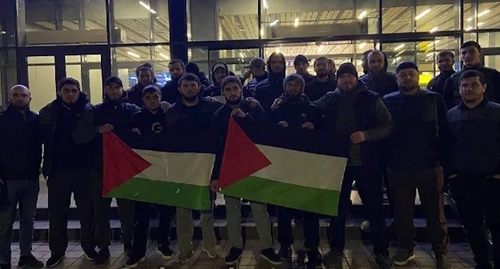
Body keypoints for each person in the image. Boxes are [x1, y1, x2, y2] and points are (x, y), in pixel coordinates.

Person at [312, 63, 393, 269]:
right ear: (337, 79)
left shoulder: (371, 98)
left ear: (357, 78)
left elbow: (388, 125)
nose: (346, 80)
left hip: (368, 162)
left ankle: (381, 251)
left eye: (350, 76)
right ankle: (336, 249)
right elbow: (309, 109)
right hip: (339, 163)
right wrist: (280, 104)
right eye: (342, 77)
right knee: (337, 210)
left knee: (374, 209)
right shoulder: (330, 98)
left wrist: (367, 135)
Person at [383, 62, 451, 268]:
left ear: (418, 76)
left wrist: (444, 162)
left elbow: (445, 131)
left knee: (435, 211)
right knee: (402, 212)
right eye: (402, 75)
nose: (407, 78)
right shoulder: (388, 101)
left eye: (411, 74)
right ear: (396, 79)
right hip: (399, 166)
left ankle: (440, 251)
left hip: (429, 165)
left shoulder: (433, 99)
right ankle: (406, 248)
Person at [210, 76, 280, 266]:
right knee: (232, 211)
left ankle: (266, 246)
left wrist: (245, 118)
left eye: (235, 88)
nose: (233, 92)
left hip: (253, 166)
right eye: (228, 89)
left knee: (260, 209)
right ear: (223, 93)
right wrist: (215, 175)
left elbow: (264, 132)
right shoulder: (219, 115)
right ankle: (235, 246)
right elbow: (217, 146)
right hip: (230, 168)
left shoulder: (253, 108)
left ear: (241, 89)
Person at [74, 76, 141, 264]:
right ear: (105, 90)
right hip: (99, 169)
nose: (113, 91)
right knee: (100, 210)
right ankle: (103, 246)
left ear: (122, 90)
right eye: (110, 87)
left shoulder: (133, 110)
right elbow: (79, 135)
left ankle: (128, 242)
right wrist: (97, 130)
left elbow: (144, 129)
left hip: (124, 170)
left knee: (127, 209)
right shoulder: (94, 111)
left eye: (117, 87)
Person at [165, 73, 222, 264]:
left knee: (207, 210)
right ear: (180, 89)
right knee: (182, 211)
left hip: (205, 165)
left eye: (193, 85)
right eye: (186, 86)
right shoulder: (173, 111)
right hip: (182, 167)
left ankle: (210, 245)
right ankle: (185, 248)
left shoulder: (212, 107)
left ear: (199, 87)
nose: (190, 88)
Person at [38, 78, 95, 268]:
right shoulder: (49, 112)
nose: (70, 94)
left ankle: (89, 247)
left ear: (79, 92)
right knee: (57, 213)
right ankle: (57, 251)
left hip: (83, 169)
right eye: (66, 90)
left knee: (87, 212)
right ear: (59, 92)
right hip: (58, 170)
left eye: (74, 91)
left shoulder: (89, 110)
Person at [446, 70, 500, 269]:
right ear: (459, 89)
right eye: (464, 86)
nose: (469, 89)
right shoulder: (451, 115)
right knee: (472, 227)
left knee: (497, 225)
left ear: (484, 87)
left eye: (474, 85)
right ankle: (482, 262)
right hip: (463, 180)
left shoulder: (496, 112)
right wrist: (450, 172)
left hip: (492, 179)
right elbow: (445, 146)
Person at [270, 74, 323, 267]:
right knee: (283, 210)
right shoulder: (276, 109)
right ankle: (284, 245)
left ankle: (312, 246)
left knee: (310, 210)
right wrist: (277, 125)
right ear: (285, 87)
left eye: (296, 85)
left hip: (307, 167)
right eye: (290, 85)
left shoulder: (312, 109)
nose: (293, 88)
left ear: (302, 87)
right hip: (284, 166)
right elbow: (267, 131)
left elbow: (323, 133)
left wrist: (314, 127)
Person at [125, 84, 176, 268]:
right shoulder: (137, 117)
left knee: (165, 212)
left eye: (155, 97)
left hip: (165, 170)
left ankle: (163, 243)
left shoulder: (168, 114)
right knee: (142, 213)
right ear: (143, 100)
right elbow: (128, 142)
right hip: (144, 172)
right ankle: (138, 250)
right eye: (148, 98)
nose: (152, 101)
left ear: (161, 96)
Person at [0, 85, 43, 269]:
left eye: (23, 95)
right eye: (16, 95)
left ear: (29, 98)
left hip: (31, 179)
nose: (20, 98)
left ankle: (26, 255)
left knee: (28, 220)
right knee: (5, 223)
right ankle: (4, 260)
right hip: (7, 180)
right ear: (10, 98)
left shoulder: (36, 120)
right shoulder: (2, 120)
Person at [443, 41, 500, 109]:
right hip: (460, 117)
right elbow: (447, 103)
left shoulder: (493, 75)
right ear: (461, 57)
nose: (467, 55)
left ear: (480, 54)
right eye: (464, 53)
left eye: (472, 52)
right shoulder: (452, 79)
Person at [253, 52, 286, 116]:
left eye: (280, 62)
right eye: (274, 62)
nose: (277, 65)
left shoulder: (290, 86)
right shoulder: (259, 88)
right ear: (269, 65)